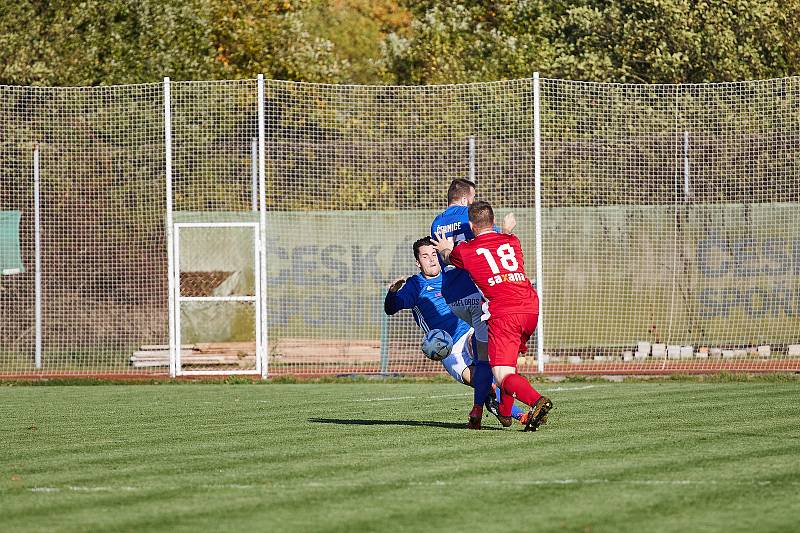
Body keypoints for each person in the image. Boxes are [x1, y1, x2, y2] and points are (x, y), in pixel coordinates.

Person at [432, 201, 553, 432]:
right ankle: (506, 414)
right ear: (493, 222)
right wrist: (508, 231)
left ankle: (537, 401)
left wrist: (445, 247)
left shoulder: (466, 251)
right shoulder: (512, 241)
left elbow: (448, 258)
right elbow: (502, 247)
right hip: (530, 308)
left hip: (504, 313)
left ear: (470, 225)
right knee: (508, 367)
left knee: (500, 375)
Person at [384, 237, 527, 427]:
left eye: (434, 254)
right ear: (418, 262)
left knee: (493, 370)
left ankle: (520, 414)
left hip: (469, 332)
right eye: (425, 256)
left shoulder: (453, 275)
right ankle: (494, 402)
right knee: (482, 382)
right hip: (448, 348)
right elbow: (391, 308)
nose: (432, 259)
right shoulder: (415, 286)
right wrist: (392, 293)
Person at [430, 179, 517, 429]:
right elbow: (493, 238)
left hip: (453, 297)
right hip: (476, 294)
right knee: (490, 359)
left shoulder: (436, 222)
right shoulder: (470, 215)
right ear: (467, 199)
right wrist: (508, 231)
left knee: (484, 354)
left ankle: (490, 402)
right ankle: (492, 407)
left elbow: (445, 256)